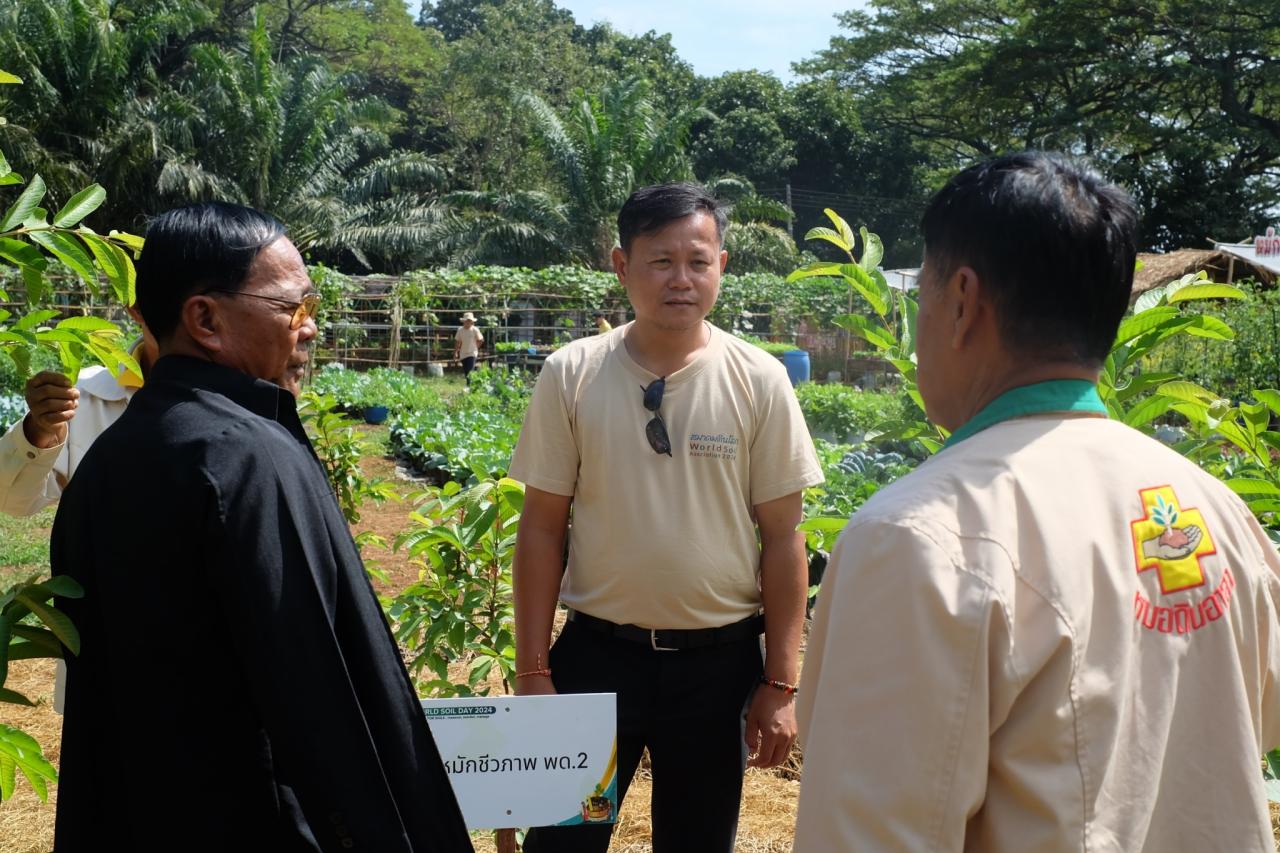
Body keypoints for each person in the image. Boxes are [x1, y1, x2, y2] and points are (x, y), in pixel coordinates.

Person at [795, 152, 1280, 851]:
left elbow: (870, 832)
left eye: (919, 299)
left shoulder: (920, 536)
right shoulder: (1215, 507)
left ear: (962, 302)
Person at [49, 202, 472, 852]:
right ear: (206, 319)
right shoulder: (247, 456)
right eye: (293, 308)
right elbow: (318, 697)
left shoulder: (108, 458)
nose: (309, 328)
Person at [507, 182, 823, 852]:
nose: (682, 279)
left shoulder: (758, 379)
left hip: (718, 665)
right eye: (660, 261)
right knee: (564, 838)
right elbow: (540, 527)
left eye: (698, 261)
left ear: (722, 266)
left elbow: (784, 539)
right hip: (596, 660)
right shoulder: (573, 374)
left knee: (696, 840)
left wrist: (779, 680)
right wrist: (534, 669)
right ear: (622, 266)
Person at [454, 311, 483, 385]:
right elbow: (458, 341)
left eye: (469, 321)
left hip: (472, 353)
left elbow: (481, 340)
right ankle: (471, 384)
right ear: (464, 321)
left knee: (470, 370)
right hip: (463, 353)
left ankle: (469, 386)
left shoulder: (475, 330)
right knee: (466, 370)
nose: (468, 322)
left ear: (472, 322)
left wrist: (476, 347)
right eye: (466, 321)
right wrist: (456, 352)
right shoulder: (460, 330)